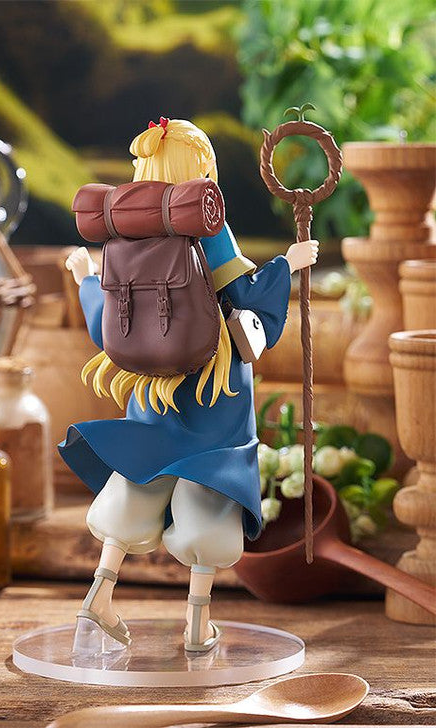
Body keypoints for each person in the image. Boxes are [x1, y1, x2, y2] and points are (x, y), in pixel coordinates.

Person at [60, 118, 318, 653]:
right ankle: (198, 627)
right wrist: (286, 266)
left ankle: (98, 596)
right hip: (214, 390)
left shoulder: (124, 232)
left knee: (139, 477)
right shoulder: (208, 226)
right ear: (201, 169)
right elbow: (247, 305)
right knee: (210, 492)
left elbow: (109, 326)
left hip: (151, 391)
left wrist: (85, 278)